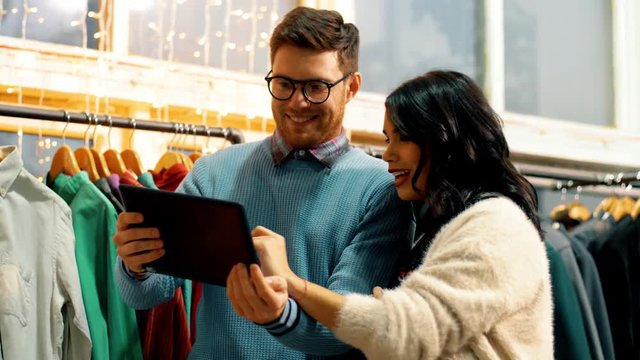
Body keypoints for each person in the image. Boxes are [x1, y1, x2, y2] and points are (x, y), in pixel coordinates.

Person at [112, 6, 411, 359]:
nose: (298, 102)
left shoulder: (380, 190)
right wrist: (135, 264)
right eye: (284, 84)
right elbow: (148, 295)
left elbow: (351, 326)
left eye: (317, 87)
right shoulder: (212, 172)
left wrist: (277, 315)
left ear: (352, 88)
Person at [227, 70, 554, 359]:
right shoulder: (437, 227)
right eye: (388, 139)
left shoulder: (495, 227)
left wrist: (294, 283)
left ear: (446, 140)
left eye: (404, 138)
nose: (388, 154)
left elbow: (403, 332)